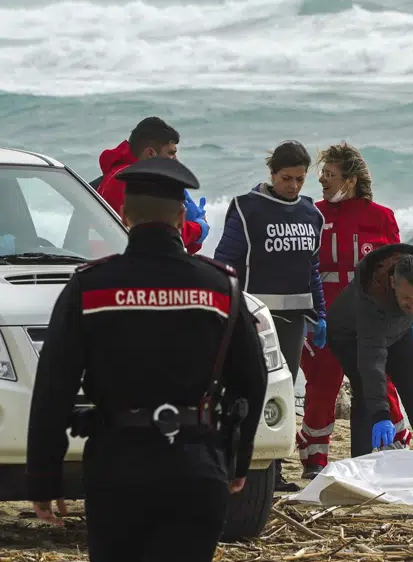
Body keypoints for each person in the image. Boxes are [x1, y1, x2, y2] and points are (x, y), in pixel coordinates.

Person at [25, 157, 267, 562]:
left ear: (123, 214)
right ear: (179, 218)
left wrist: (43, 478)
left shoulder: (90, 287)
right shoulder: (222, 286)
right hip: (197, 466)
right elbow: (252, 379)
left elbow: (54, 387)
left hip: (117, 466)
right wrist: (238, 459)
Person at [296, 142, 413, 479]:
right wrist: (308, 315)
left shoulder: (381, 217)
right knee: (322, 385)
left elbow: (399, 269)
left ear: (350, 180)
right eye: (322, 175)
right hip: (323, 316)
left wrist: (408, 313)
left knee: (380, 381)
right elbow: (299, 266)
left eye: (330, 175)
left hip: (370, 320)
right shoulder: (311, 214)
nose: (322, 181)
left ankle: (395, 447)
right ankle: (314, 459)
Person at [213, 140, 326, 492]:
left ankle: (272, 472)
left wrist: (320, 314)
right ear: (272, 173)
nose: (293, 186)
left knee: (282, 393)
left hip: (293, 322)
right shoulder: (248, 209)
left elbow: (313, 269)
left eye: (300, 179)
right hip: (254, 320)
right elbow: (225, 261)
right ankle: (237, 467)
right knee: (247, 392)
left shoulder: (312, 215)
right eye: (287, 178)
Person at [326, 242, 413, 458]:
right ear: (392, 282)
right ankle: (362, 461)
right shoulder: (373, 302)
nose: (412, 304)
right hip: (349, 336)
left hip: (398, 329)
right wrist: (382, 415)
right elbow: (372, 365)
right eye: (407, 298)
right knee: (365, 392)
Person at [95, 116, 209, 254]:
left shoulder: (120, 174)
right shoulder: (129, 181)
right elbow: (160, 235)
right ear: (150, 153)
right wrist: (198, 228)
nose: (176, 161)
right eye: (171, 153)